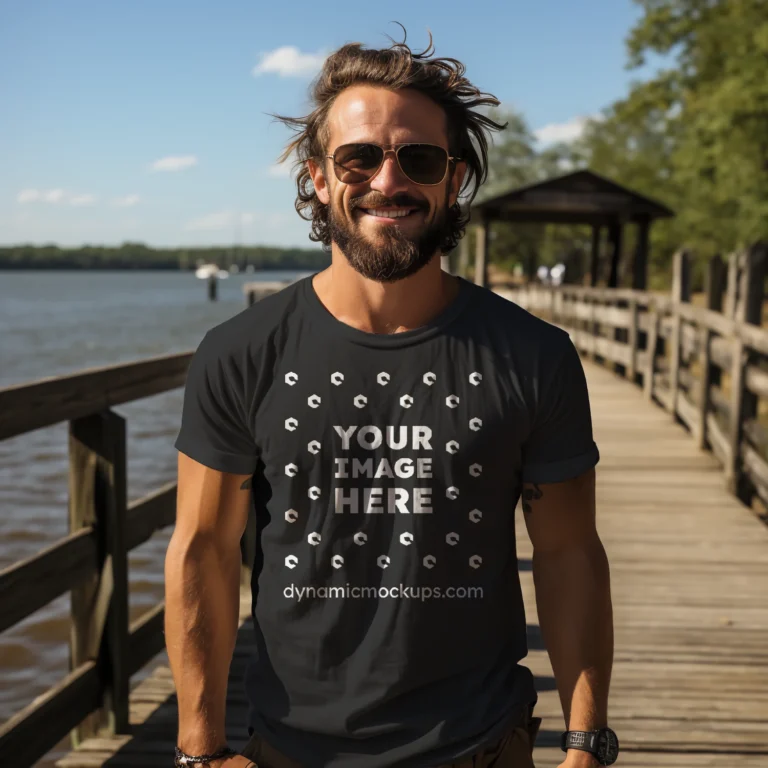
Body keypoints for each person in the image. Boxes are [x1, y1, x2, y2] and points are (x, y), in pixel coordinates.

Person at [167, 25, 616, 768]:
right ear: (318, 176)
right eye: (359, 157)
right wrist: (197, 749)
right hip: (290, 750)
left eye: (419, 158)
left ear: (455, 176)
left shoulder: (535, 357)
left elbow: (569, 552)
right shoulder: (241, 353)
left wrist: (587, 742)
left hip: (477, 746)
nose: (388, 180)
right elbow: (203, 552)